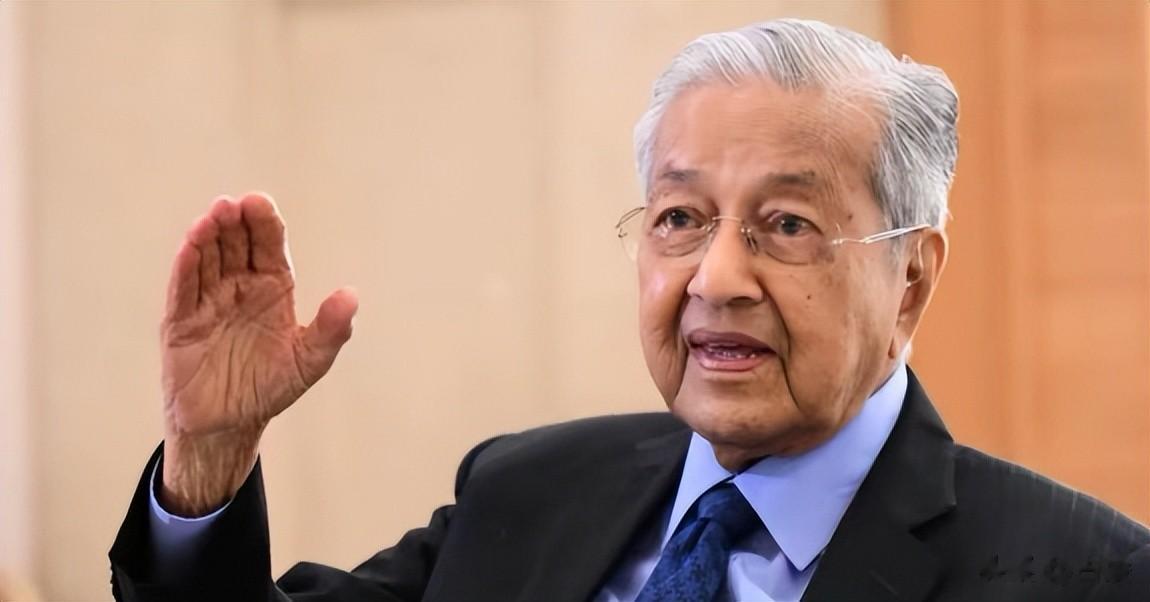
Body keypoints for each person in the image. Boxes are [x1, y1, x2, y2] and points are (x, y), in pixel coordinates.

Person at [109, 18, 1149, 602]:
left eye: (786, 224)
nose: (716, 278)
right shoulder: (526, 488)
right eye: (680, 218)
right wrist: (209, 461)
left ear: (911, 276)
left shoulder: (1084, 574)